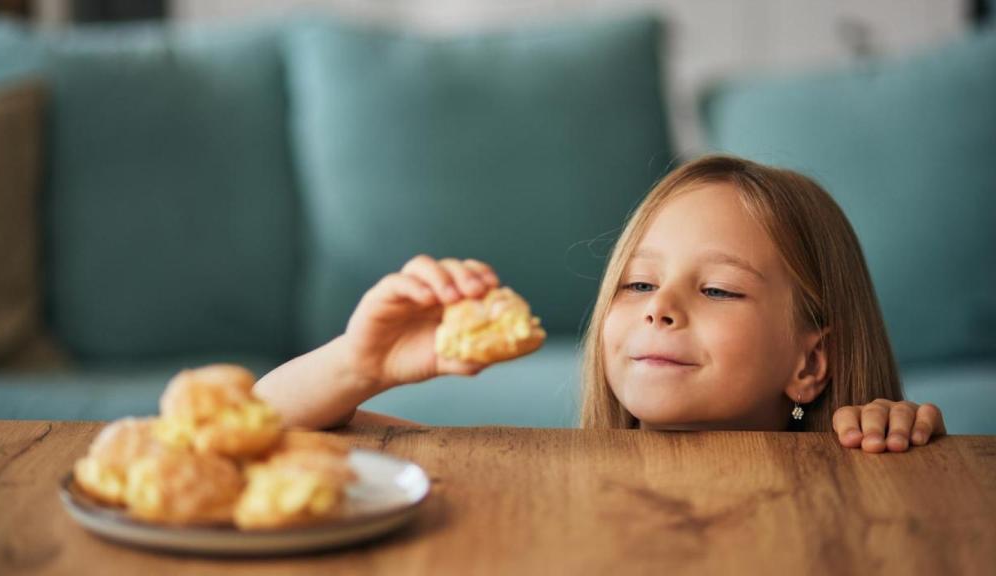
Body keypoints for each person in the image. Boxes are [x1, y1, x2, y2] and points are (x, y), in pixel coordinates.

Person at [254, 155, 946, 453]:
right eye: (638, 284)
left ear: (811, 361)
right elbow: (262, 426)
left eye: (717, 289)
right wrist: (361, 360)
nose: (660, 308)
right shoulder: (554, 473)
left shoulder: (860, 463)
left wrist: (893, 441)